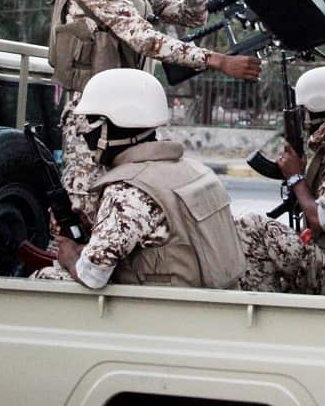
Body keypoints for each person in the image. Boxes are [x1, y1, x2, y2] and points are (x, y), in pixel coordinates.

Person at [48, 0, 261, 222]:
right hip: (89, 115)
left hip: (128, 114)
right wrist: (217, 60)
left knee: (132, 204)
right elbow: (146, 40)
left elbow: (192, 15)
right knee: (84, 209)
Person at [32, 68, 245, 289]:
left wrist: (69, 256)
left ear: (116, 125)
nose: (86, 134)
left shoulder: (128, 190)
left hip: (165, 311)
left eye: (93, 123)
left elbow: (92, 275)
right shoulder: (195, 170)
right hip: (212, 301)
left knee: (46, 277)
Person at [235, 66, 325, 295]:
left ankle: (262, 310)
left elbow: (323, 219)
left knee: (250, 226)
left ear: (314, 109)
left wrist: (295, 178)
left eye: (303, 111)